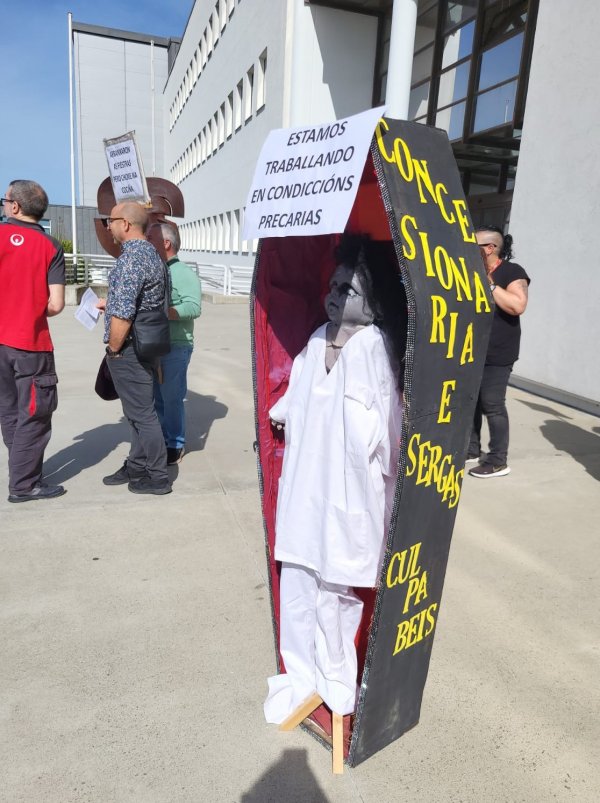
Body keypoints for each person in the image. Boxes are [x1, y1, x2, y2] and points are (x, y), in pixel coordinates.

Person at [264, 235, 406, 724]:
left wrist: (392, 484)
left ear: (375, 304)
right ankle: (301, 674)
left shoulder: (372, 348)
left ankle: (337, 678)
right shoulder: (315, 340)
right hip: (306, 487)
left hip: (348, 492)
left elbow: (390, 427)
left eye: (349, 290)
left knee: (336, 592)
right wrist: (281, 412)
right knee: (299, 579)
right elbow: (298, 396)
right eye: (334, 285)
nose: (335, 295)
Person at [99, 201, 172, 495]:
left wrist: (114, 349)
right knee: (136, 413)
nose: (108, 226)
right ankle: (137, 465)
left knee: (142, 414)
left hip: (129, 348)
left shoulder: (130, 260)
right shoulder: (153, 255)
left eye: (110, 220)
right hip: (147, 344)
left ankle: (158, 476)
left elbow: (123, 314)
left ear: (126, 224)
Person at [0, 180, 66, 503]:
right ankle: (24, 484)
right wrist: (31, 306)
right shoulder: (50, 246)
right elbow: (56, 304)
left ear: (15, 206)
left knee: (10, 410)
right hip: (31, 342)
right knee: (35, 413)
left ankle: (22, 473)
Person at [467, 226, 530, 478]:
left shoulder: (512, 272)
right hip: (470, 349)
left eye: (474, 245)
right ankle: (471, 450)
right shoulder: (469, 270)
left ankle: (498, 460)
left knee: (492, 404)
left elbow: (518, 305)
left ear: (490, 248)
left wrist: (489, 284)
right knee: (471, 402)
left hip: (498, 352)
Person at [147, 221, 201, 464]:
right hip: (156, 345)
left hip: (176, 345)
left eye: (151, 239)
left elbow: (193, 307)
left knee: (171, 398)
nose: (147, 242)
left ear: (166, 243)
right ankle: (162, 438)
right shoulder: (156, 270)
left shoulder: (183, 273)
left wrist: (164, 312)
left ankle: (175, 444)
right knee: (158, 398)